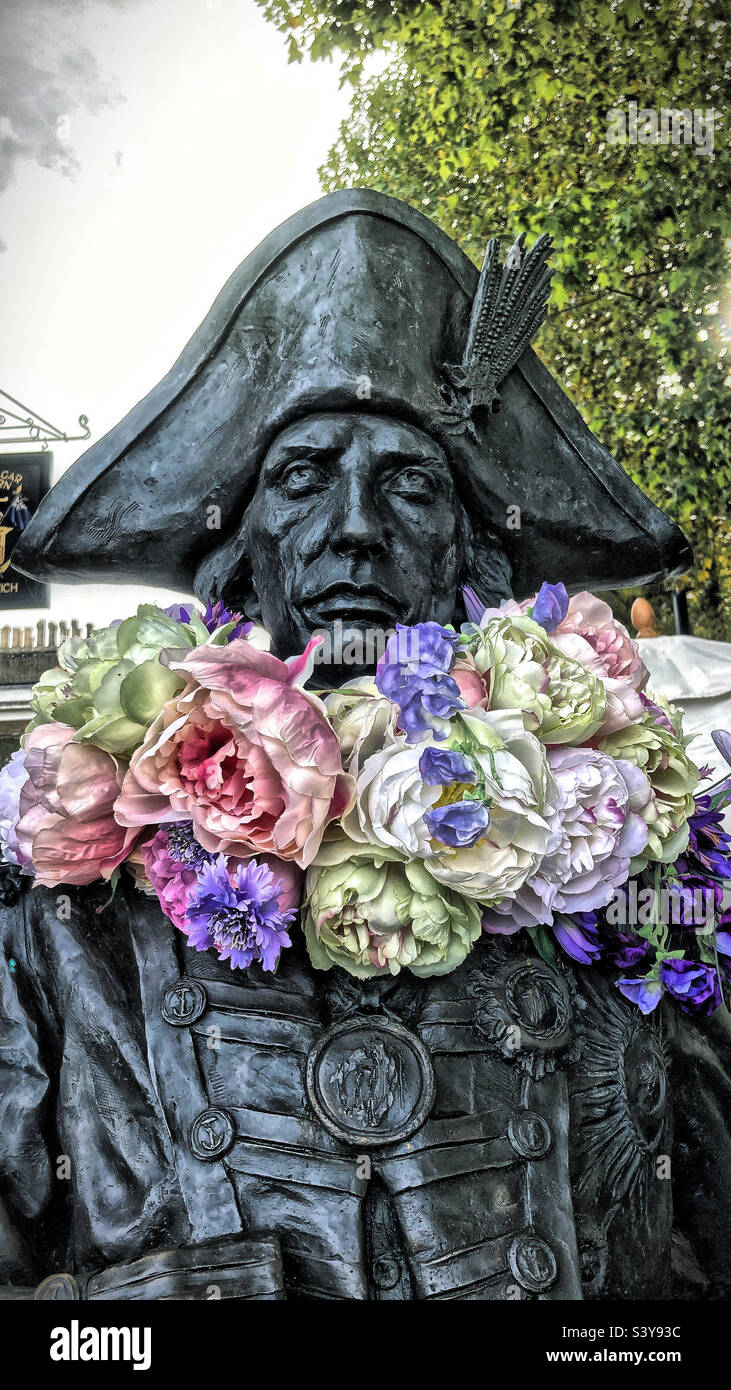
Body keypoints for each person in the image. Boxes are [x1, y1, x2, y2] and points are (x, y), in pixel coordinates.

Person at [2, 190, 727, 1301]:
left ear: (472, 565)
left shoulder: (634, 873)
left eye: (408, 484)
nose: (352, 527)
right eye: (301, 480)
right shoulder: (65, 907)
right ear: (235, 565)